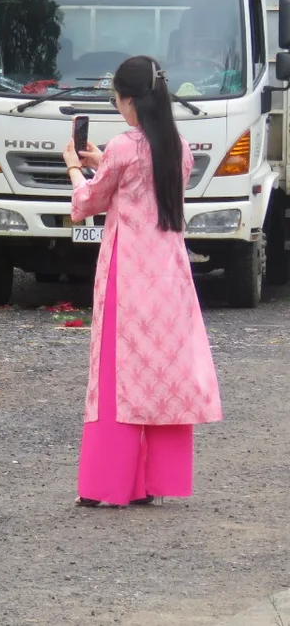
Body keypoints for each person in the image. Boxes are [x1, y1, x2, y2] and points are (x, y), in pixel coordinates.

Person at [62, 55, 222, 507]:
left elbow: (88, 202)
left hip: (127, 275)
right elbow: (142, 178)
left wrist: (75, 165)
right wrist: (104, 160)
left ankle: (108, 485)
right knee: (159, 372)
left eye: (116, 98)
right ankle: (153, 481)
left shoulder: (122, 147)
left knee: (117, 376)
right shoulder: (180, 147)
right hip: (170, 275)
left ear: (129, 100)